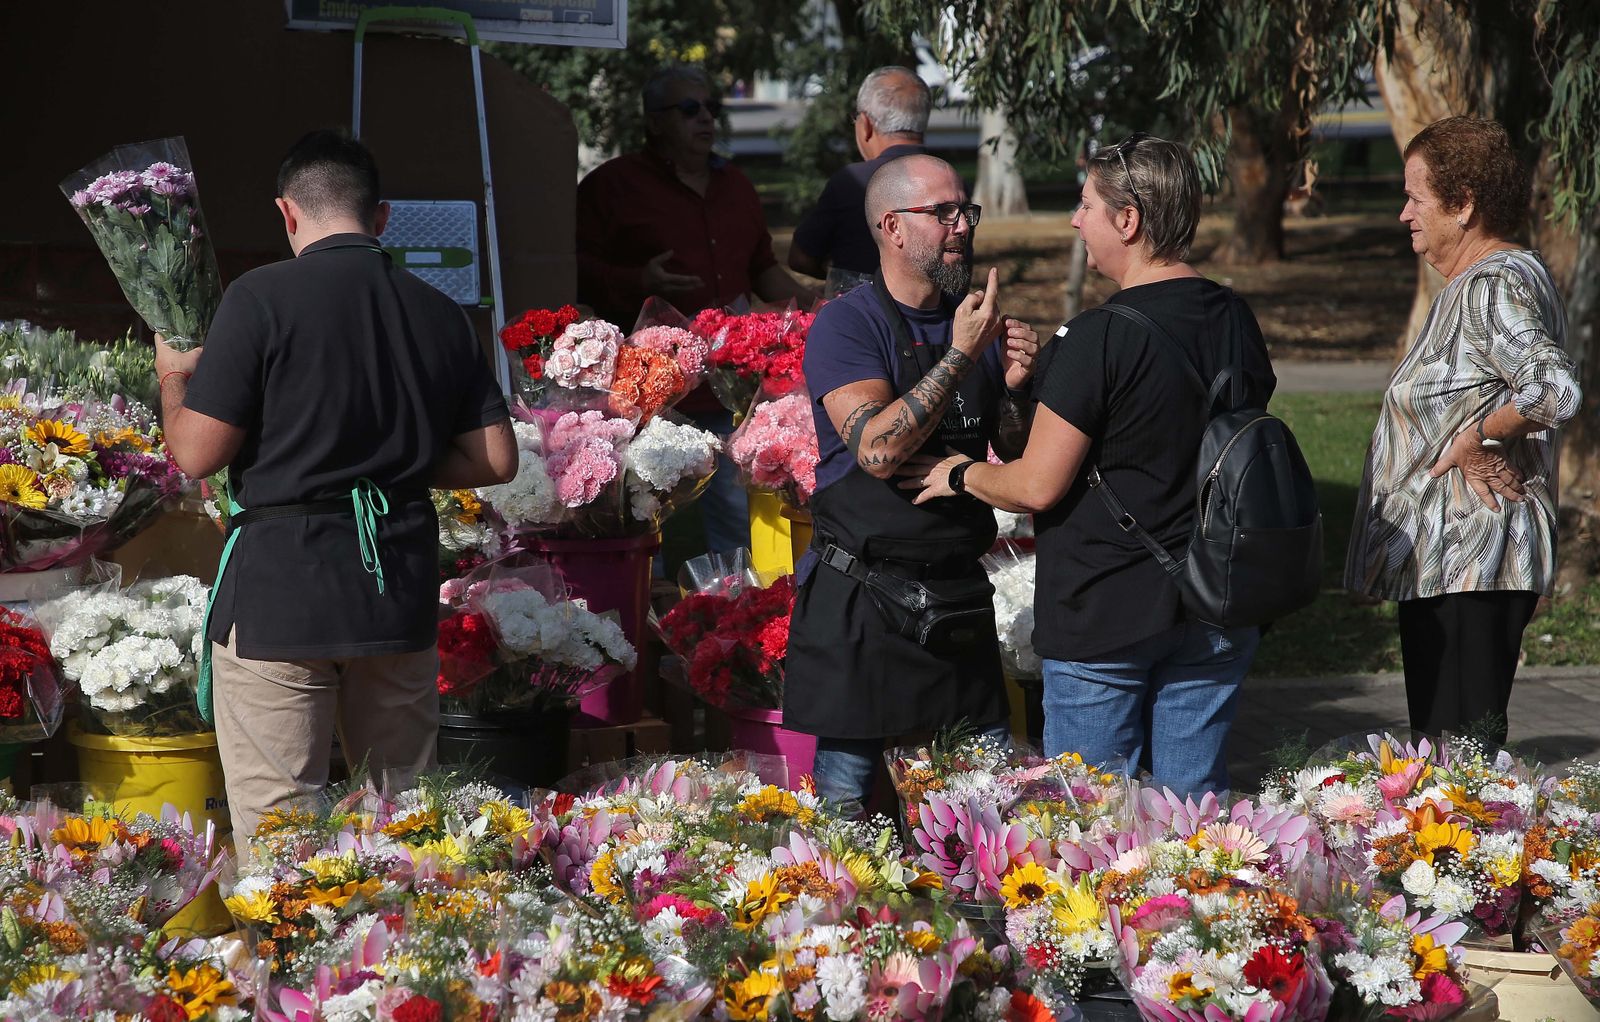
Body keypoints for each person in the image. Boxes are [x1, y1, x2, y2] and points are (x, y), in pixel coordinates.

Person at [155, 130, 517, 844]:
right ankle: (404, 952)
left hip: (283, 590)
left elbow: (196, 456)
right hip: (397, 587)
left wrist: (173, 376)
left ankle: (291, 955)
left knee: (284, 828)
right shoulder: (440, 312)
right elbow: (496, 459)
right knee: (402, 819)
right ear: (381, 218)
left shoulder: (259, 298)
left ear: (287, 213)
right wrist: (394, 463)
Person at [905, 135, 1276, 798]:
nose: (1076, 221)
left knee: (1089, 825)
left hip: (1106, 612)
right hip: (1216, 596)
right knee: (1193, 825)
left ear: (1127, 221)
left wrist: (960, 473)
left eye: (1086, 206)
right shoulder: (1233, 317)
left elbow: (1036, 484)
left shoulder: (1099, 336)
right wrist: (1029, 386)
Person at [784, 153, 1040, 806]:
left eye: (966, 212)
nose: (962, 226)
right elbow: (876, 451)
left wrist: (1014, 388)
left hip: (955, 593)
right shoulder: (849, 324)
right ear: (892, 227)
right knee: (849, 803)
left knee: (986, 797)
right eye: (943, 213)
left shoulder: (973, 320)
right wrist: (960, 355)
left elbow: (1010, 445)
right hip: (864, 598)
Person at [1345, 116, 1580, 745]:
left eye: (1417, 197)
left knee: (1460, 766)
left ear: (1464, 205)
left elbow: (1553, 389)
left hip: (1472, 560)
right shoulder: (1502, 277)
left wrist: (1481, 436)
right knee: (1450, 763)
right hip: (1457, 566)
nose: (1404, 214)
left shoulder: (1492, 284)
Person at [577, 64, 815, 555]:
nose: (705, 118)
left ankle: (739, 611)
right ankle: (648, 615)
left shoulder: (737, 187)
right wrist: (638, 281)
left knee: (735, 514)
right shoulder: (613, 186)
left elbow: (762, 269)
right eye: (689, 109)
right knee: (640, 516)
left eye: (711, 108)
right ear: (655, 121)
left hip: (734, 394)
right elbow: (572, 268)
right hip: (649, 396)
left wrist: (819, 307)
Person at [788, 66, 932, 292]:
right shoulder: (952, 183)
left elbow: (800, 258)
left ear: (864, 124)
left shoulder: (850, 181)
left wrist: (840, 277)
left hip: (860, 317)